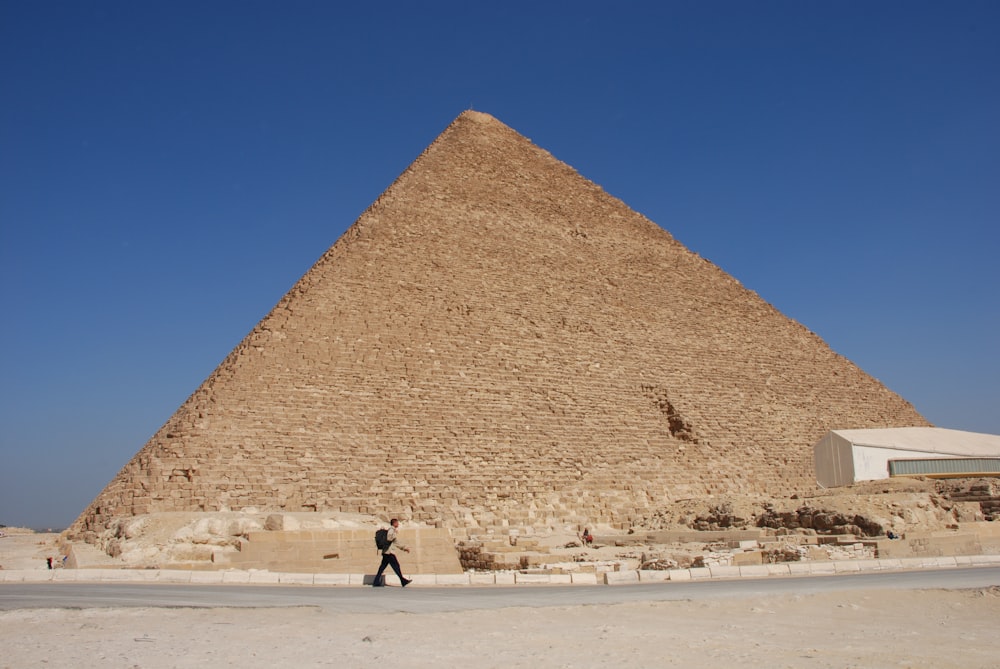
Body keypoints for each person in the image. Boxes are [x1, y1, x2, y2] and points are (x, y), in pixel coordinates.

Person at [374, 518, 412, 587]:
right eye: (397, 523)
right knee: (396, 566)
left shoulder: (392, 530)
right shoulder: (391, 530)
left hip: (386, 552)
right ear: (394, 523)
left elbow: (395, 542)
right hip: (389, 552)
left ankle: (376, 581)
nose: (398, 524)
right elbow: (389, 538)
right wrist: (394, 534)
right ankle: (403, 581)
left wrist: (404, 548)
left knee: (382, 567)